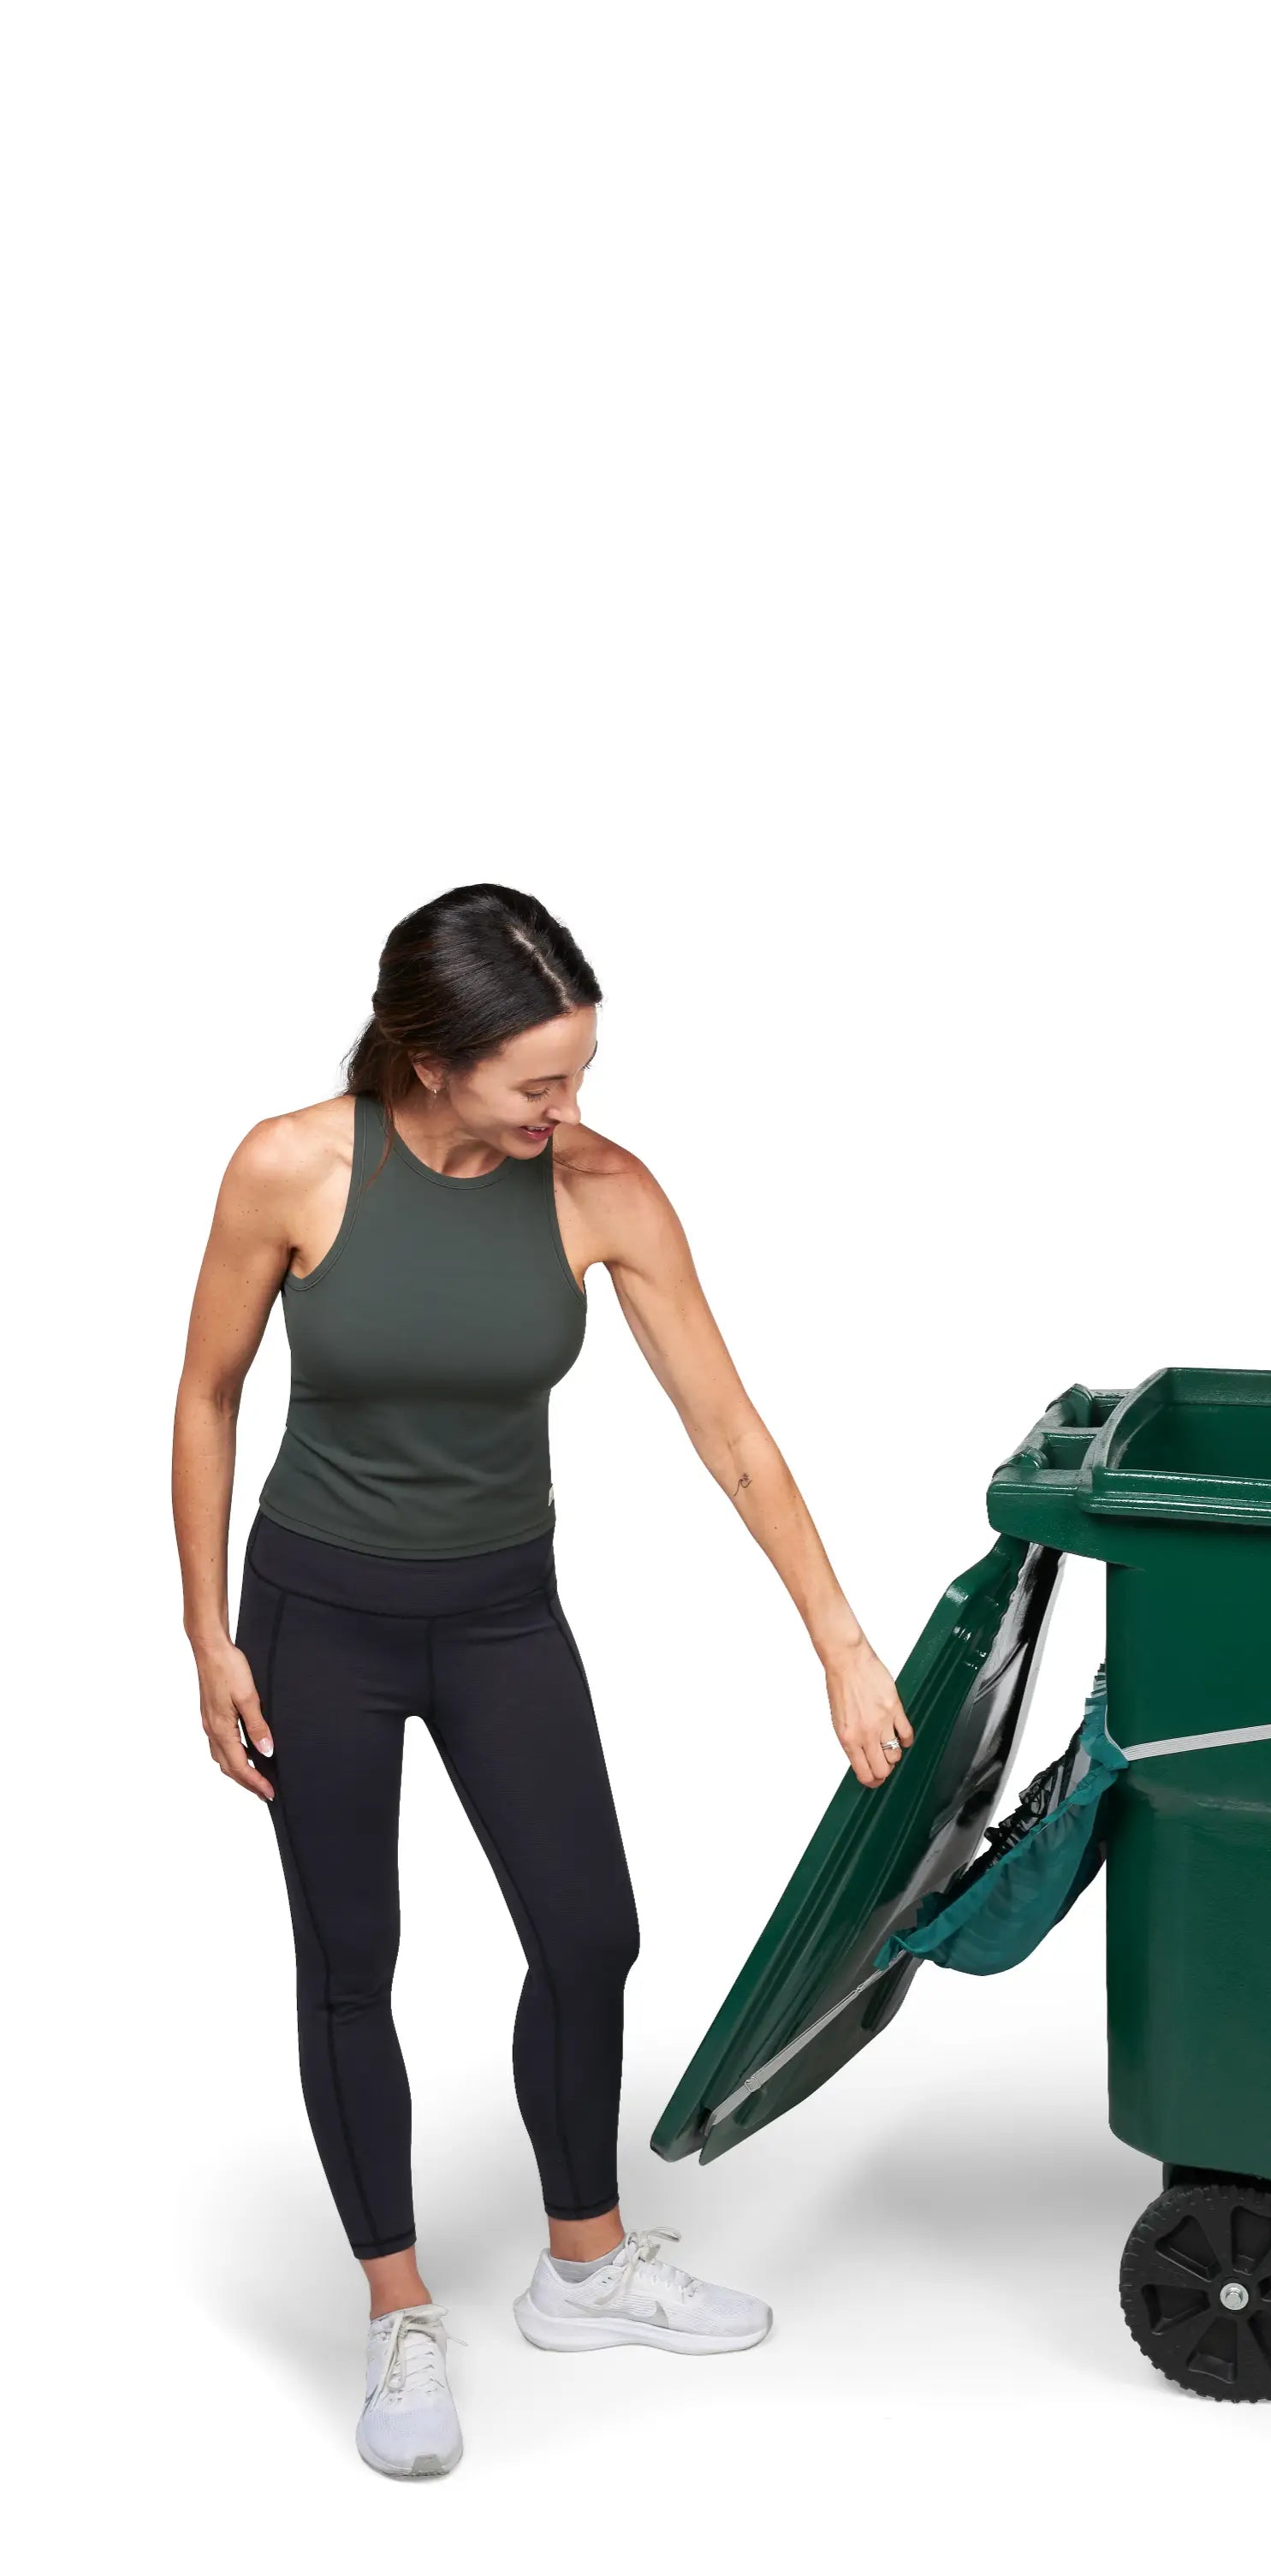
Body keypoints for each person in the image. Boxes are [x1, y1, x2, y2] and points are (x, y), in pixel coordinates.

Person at [173, 885, 912, 2479]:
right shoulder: (291, 1165)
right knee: (349, 1956)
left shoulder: (601, 1190)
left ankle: (584, 2263)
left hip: (504, 1610)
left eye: (579, 1073)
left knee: (589, 1932)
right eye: (539, 1082)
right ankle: (395, 2308)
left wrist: (838, 1634)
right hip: (322, 1618)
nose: (567, 1110)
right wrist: (208, 1630)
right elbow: (210, 1390)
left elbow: (730, 1431)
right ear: (431, 1059)